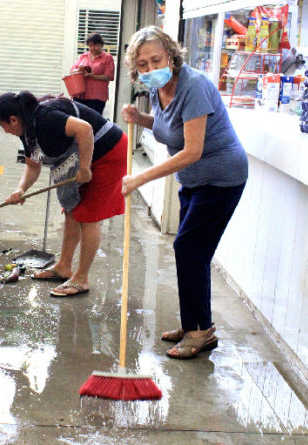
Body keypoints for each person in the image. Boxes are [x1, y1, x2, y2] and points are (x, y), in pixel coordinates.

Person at [121, 26, 248, 359]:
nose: (149, 69)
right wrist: (141, 118)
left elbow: (191, 149)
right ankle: (194, 324)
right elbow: (169, 128)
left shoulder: (195, 87)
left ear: (171, 56)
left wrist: (141, 177)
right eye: (142, 65)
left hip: (221, 178)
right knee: (191, 252)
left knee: (188, 247)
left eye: (156, 60)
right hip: (193, 181)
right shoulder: (157, 87)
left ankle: (199, 332)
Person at [0, 91, 126, 297]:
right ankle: (64, 267)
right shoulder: (26, 130)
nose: (4, 130)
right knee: (72, 210)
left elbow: (85, 129)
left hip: (108, 152)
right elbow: (32, 166)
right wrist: (21, 189)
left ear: (13, 119)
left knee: (88, 216)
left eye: (2, 125)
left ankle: (82, 279)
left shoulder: (45, 118)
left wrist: (84, 167)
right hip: (84, 156)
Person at [69, 33, 115, 115]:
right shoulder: (84, 56)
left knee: (94, 120)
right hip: (80, 94)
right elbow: (72, 71)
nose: (92, 48)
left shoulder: (107, 58)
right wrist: (79, 70)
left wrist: (92, 76)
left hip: (97, 96)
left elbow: (109, 76)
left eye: (95, 45)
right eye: (90, 46)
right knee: (78, 119)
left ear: (101, 44)